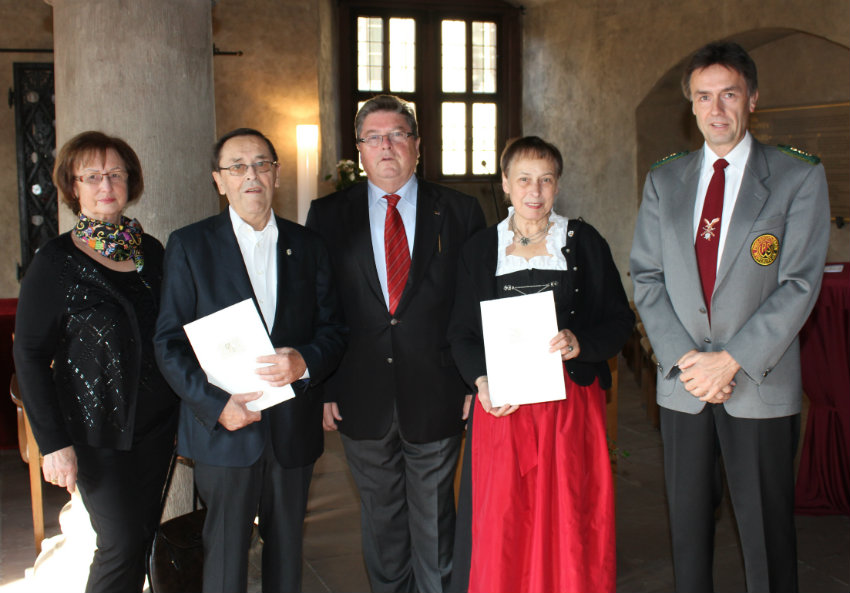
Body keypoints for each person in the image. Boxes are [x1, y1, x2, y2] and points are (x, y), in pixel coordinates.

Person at [629, 41, 830, 593]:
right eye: (703, 97)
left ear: (752, 99)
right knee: (688, 536)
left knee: (767, 539)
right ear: (690, 106)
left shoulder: (796, 176)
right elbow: (645, 276)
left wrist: (732, 360)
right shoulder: (664, 180)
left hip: (758, 384)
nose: (716, 110)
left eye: (729, 94)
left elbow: (799, 283)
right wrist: (686, 362)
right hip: (684, 384)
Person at [153, 128, 346, 593]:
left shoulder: (310, 246)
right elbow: (168, 343)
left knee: (286, 554)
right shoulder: (190, 245)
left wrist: (304, 361)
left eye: (261, 164)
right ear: (219, 181)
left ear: (276, 174)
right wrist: (216, 406)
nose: (251, 175)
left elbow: (335, 330)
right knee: (224, 554)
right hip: (224, 430)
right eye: (237, 166)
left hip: (291, 429)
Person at [305, 94, 485, 593]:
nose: (387, 146)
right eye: (374, 137)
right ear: (359, 150)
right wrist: (323, 387)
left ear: (418, 146)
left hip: (439, 387)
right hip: (359, 393)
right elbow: (320, 307)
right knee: (381, 523)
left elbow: (475, 304)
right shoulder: (326, 216)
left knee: (434, 520)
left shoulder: (460, 211)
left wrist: (476, 377)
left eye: (398, 135)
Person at [447, 136, 633, 593]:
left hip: (569, 409)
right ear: (505, 184)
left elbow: (619, 320)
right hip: (503, 407)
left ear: (557, 185)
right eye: (525, 179)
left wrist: (580, 341)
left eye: (546, 180)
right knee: (505, 519)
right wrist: (481, 382)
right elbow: (461, 334)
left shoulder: (584, 242)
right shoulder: (478, 249)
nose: (535, 191)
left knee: (569, 513)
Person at [13, 131, 178, 593]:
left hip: (158, 426)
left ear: (130, 181)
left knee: (140, 539)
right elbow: (28, 355)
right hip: (94, 432)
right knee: (120, 543)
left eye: (115, 174)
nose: (105, 184)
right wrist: (52, 444)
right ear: (73, 186)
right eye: (92, 176)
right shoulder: (55, 262)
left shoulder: (152, 252)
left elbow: (172, 333)